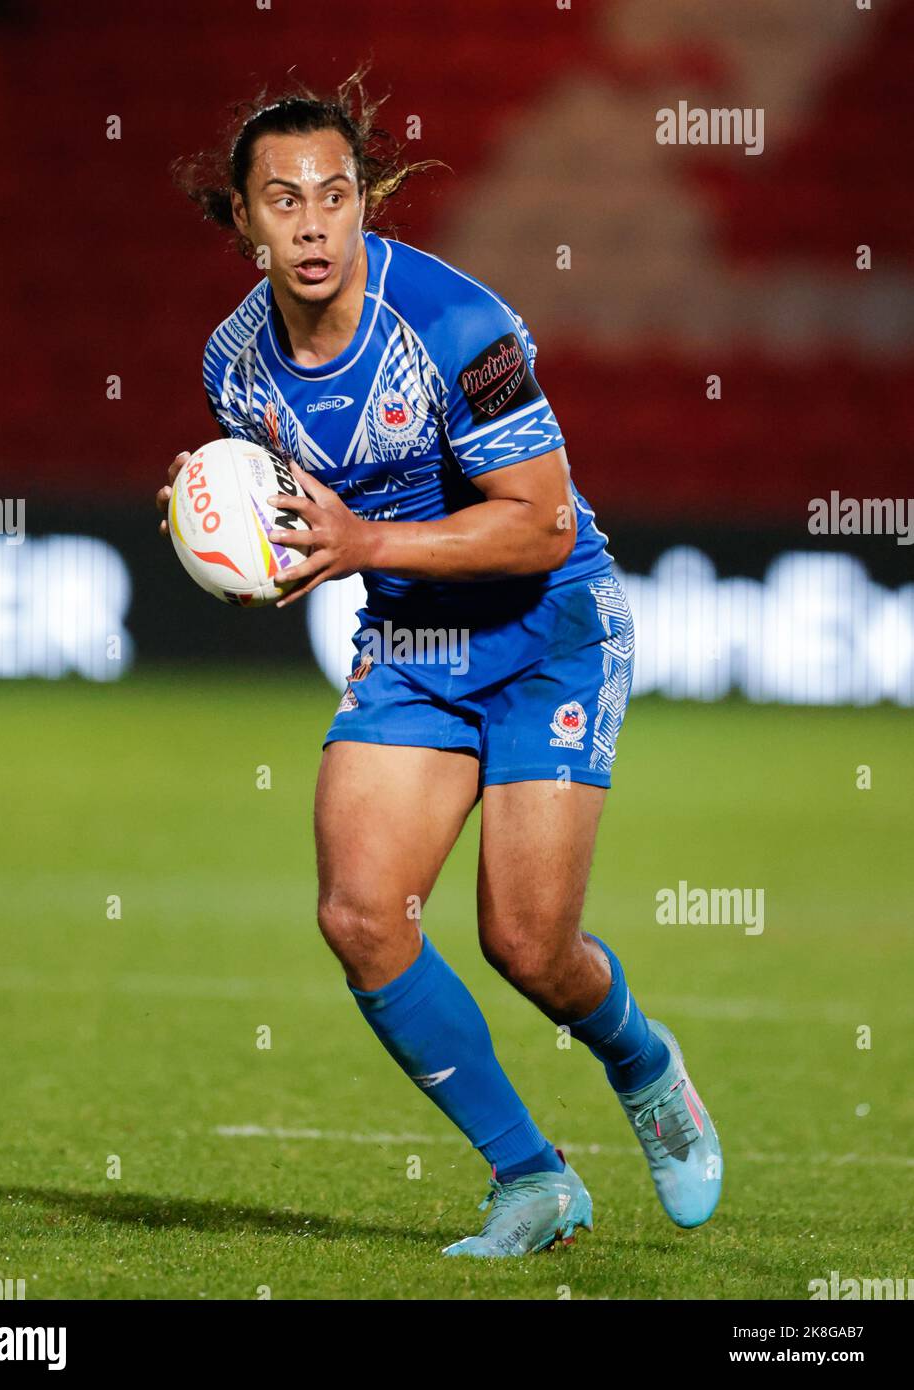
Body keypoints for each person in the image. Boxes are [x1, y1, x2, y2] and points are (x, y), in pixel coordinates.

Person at [158, 71, 722, 1256]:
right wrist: (228, 537)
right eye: (284, 201)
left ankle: (641, 1060)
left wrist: (362, 545)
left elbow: (545, 524)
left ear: (369, 204)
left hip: (549, 631)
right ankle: (532, 1177)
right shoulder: (234, 368)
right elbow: (284, 515)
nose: (313, 223)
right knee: (363, 915)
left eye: (335, 195)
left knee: (527, 945)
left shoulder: (462, 328)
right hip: (412, 644)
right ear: (244, 223)